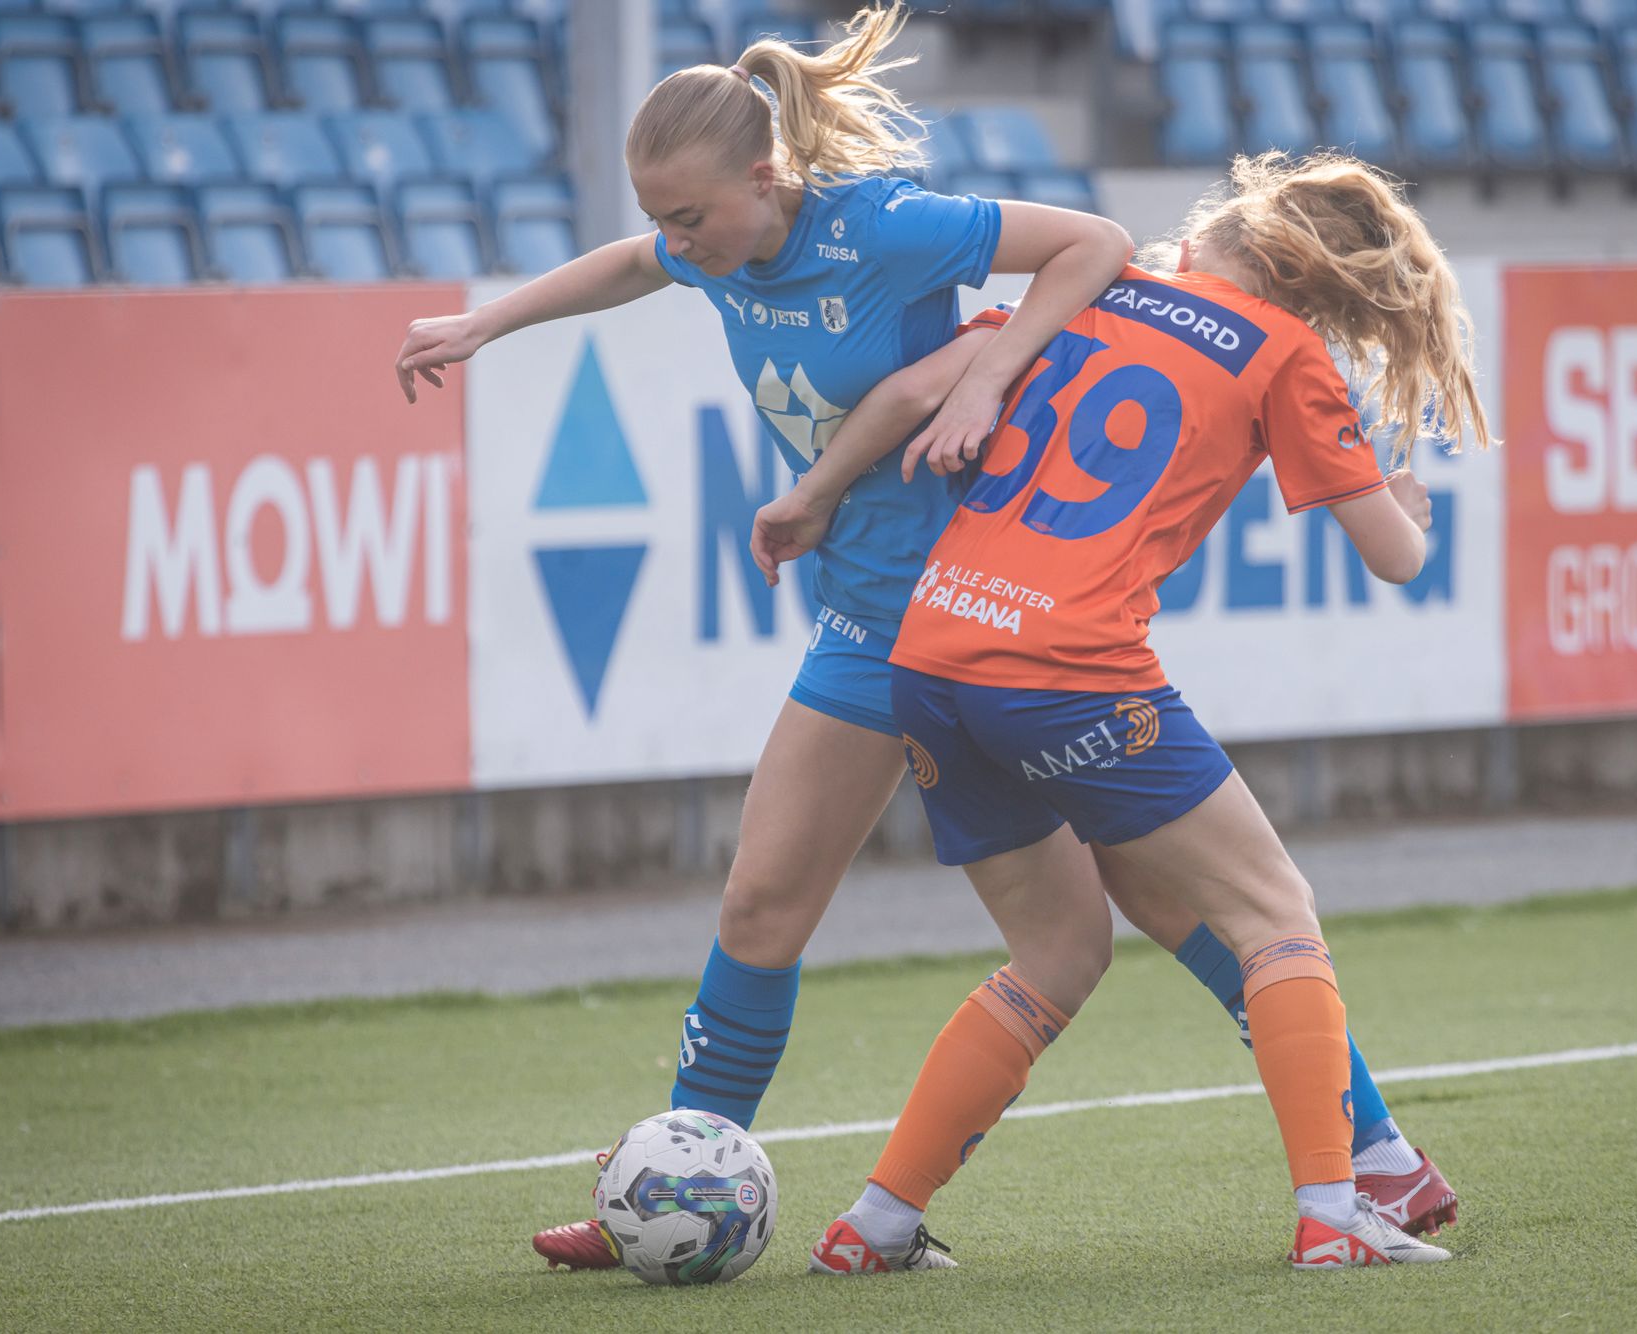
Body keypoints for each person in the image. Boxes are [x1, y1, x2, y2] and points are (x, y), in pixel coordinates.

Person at [397, 4, 1444, 1268]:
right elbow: (637, 269)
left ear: (766, 176)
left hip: (978, 600)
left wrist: (986, 380)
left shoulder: (885, 224)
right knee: (766, 902)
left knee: (1183, 913)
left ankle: (1371, 1153)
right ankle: (673, 1192)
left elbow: (1079, 259)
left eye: (687, 220)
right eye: (662, 222)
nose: (673, 246)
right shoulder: (716, 245)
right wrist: (487, 324)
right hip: (884, 620)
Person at [763, 150, 1487, 1274]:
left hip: (933, 648)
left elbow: (915, 392)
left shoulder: (1086, 293)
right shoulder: (1284, 352)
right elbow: (1392, 560)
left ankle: (876, 1222)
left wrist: (808, 496)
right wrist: (1405, 503)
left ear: (1222, 239)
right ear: (1315, 293)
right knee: (1272, 911)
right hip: (1067, 667)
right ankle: (1335, 1211)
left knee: (1054, 949)